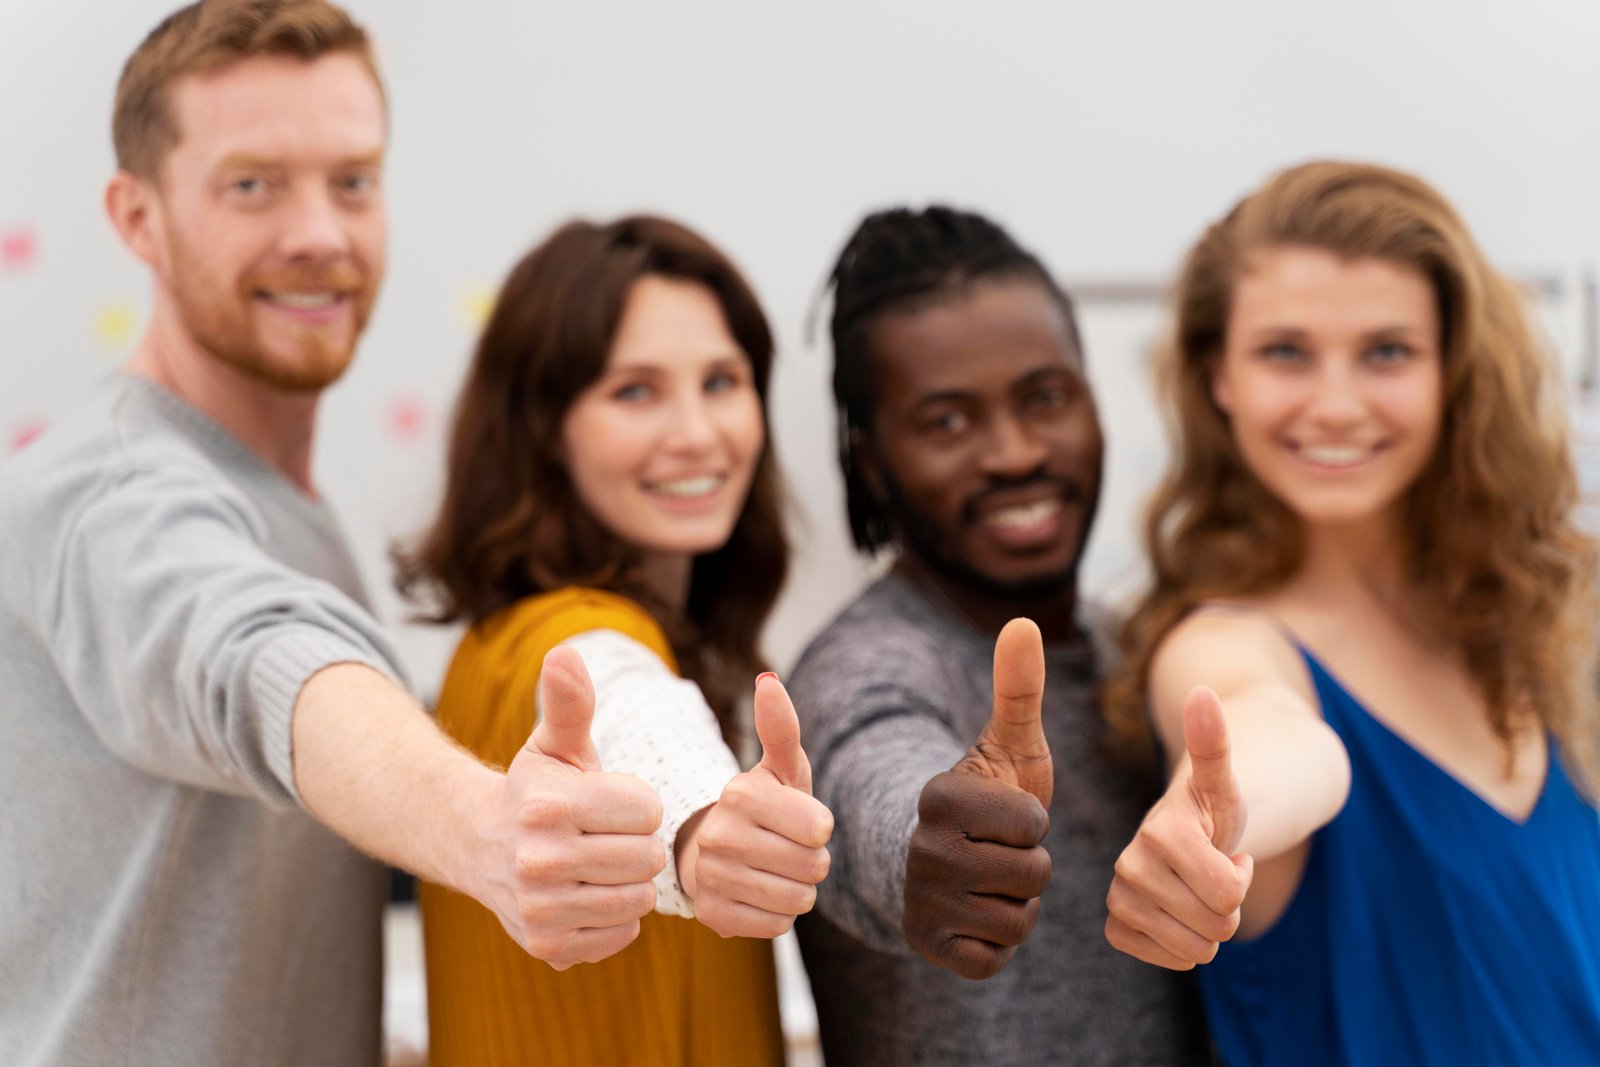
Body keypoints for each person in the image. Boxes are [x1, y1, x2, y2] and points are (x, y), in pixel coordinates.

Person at [0, 4, 666, 1064]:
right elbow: (251, 654)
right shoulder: (103, 490)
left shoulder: (289, 507)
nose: (319, 232)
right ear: (138, 217)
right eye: (251, 184)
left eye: (352, 179)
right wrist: (487, 828)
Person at [1102, 161, 1600, 1066]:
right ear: (1219, 376)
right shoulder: (1223, 641)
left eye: (1387, 351)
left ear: (1453, 369)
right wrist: (1214, 820)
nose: (1336, 404)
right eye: (1285, 351)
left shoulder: (1546, 622)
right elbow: (1279, 742)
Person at [396, 215, 834, 1067]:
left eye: (722, 380)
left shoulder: (497, 640)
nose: (698, 432)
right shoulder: (579, 645)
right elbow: (637, 723)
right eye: (634, 391)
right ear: (543, 427)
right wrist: (704, 831)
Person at [787, 205, 1210, 1066]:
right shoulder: (865, 666)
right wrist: (930, 845)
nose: (1015, 452)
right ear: (871, 463)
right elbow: (873, 765)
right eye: (948, 421)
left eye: (1045, 398)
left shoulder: (1133, 646)